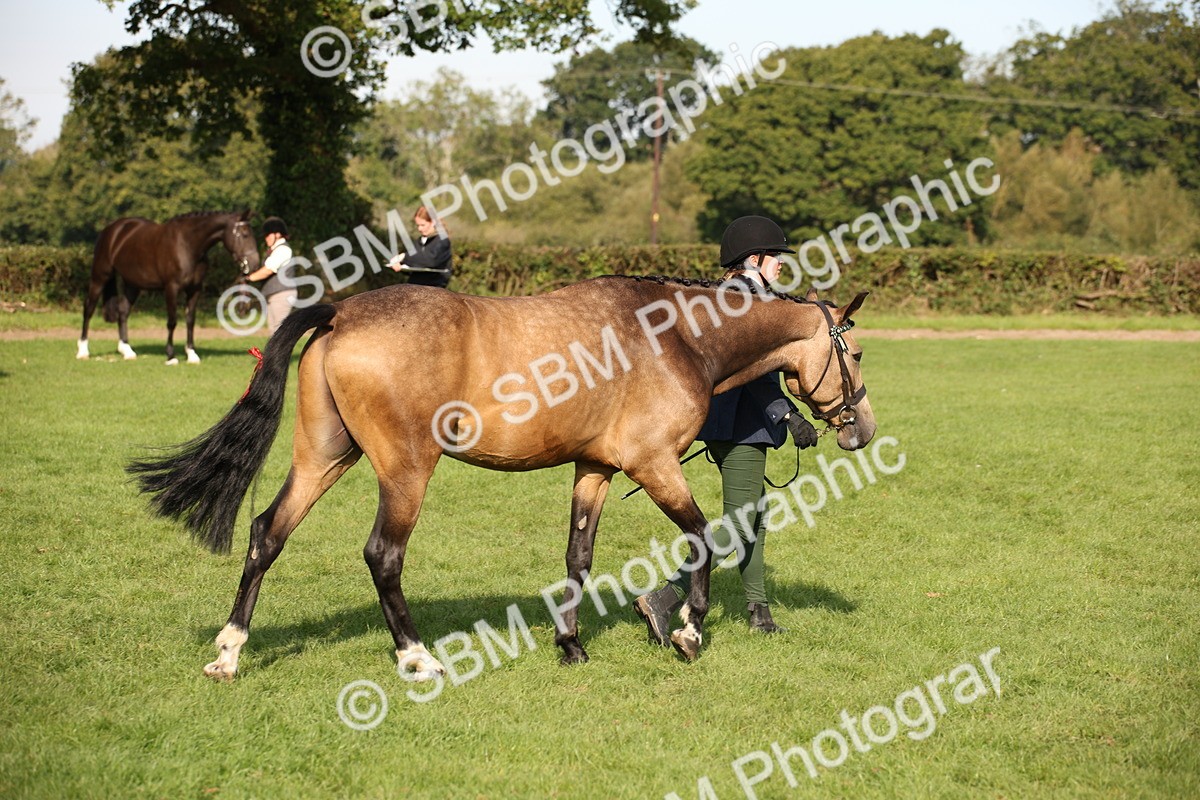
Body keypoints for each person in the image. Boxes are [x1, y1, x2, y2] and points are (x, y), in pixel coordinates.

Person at [634, 215, 819, 645]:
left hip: (724, 420)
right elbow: (756, 374)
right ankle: (666, 596)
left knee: (754, 515)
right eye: (775, 257)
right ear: (753, 259)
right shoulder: (746, 301)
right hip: (742, 424)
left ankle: (759, 612)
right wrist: (787, 415)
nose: (781, 264)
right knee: (740, 521)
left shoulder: (728, 295)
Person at [242, 216, 296, 334]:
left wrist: (249, 278)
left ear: (278, 234)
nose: (266, 238)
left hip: (281, 295)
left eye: (268, 235)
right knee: (273, 332)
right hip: (274, 295)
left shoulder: (283, 249)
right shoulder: (274, 250)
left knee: (279, 333)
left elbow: (268, 270)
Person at [387, 206, 453, 288]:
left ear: (433, 222)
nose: (419, 229)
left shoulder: (442, 241)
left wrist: (404, 257)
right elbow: (414, 264)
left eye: (422, 225)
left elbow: (430, 261)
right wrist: (400, 265)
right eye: (418, 225)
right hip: (415, 286)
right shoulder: (419, 241)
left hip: (434, 288)